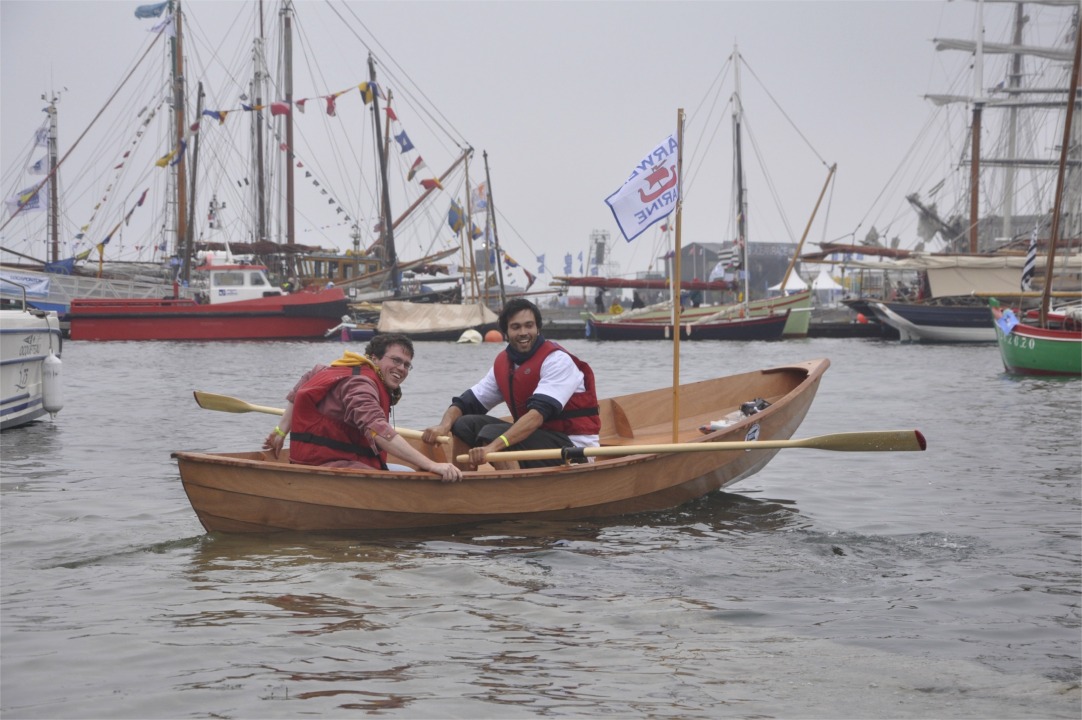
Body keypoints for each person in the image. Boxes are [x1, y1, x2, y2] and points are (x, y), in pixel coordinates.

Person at [422, 298, 600, 470]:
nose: (523, 332)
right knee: (463, 424)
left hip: (573, 448)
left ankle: (513, 488)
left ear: (538, 328)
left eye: (529, 325)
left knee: (493, 434)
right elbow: (466, 403)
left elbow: (536, 416)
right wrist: (444, 426)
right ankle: (461, 481)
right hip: (535, 439)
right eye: (516, 327)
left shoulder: (557, 361)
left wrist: (492, 447)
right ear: (506, 333)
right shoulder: (504, 364)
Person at [263, 334, 462, 482]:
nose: (401, 368)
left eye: (407, 365)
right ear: (374, 358)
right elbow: (379, 431)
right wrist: (432, 465)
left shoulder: (335, 369)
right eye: (395, 360)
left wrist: (281, 431)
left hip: (311, 462)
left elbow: (302, 387)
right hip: (331, 467)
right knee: (414, 474)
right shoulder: (361, 385)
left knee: (406, 470)